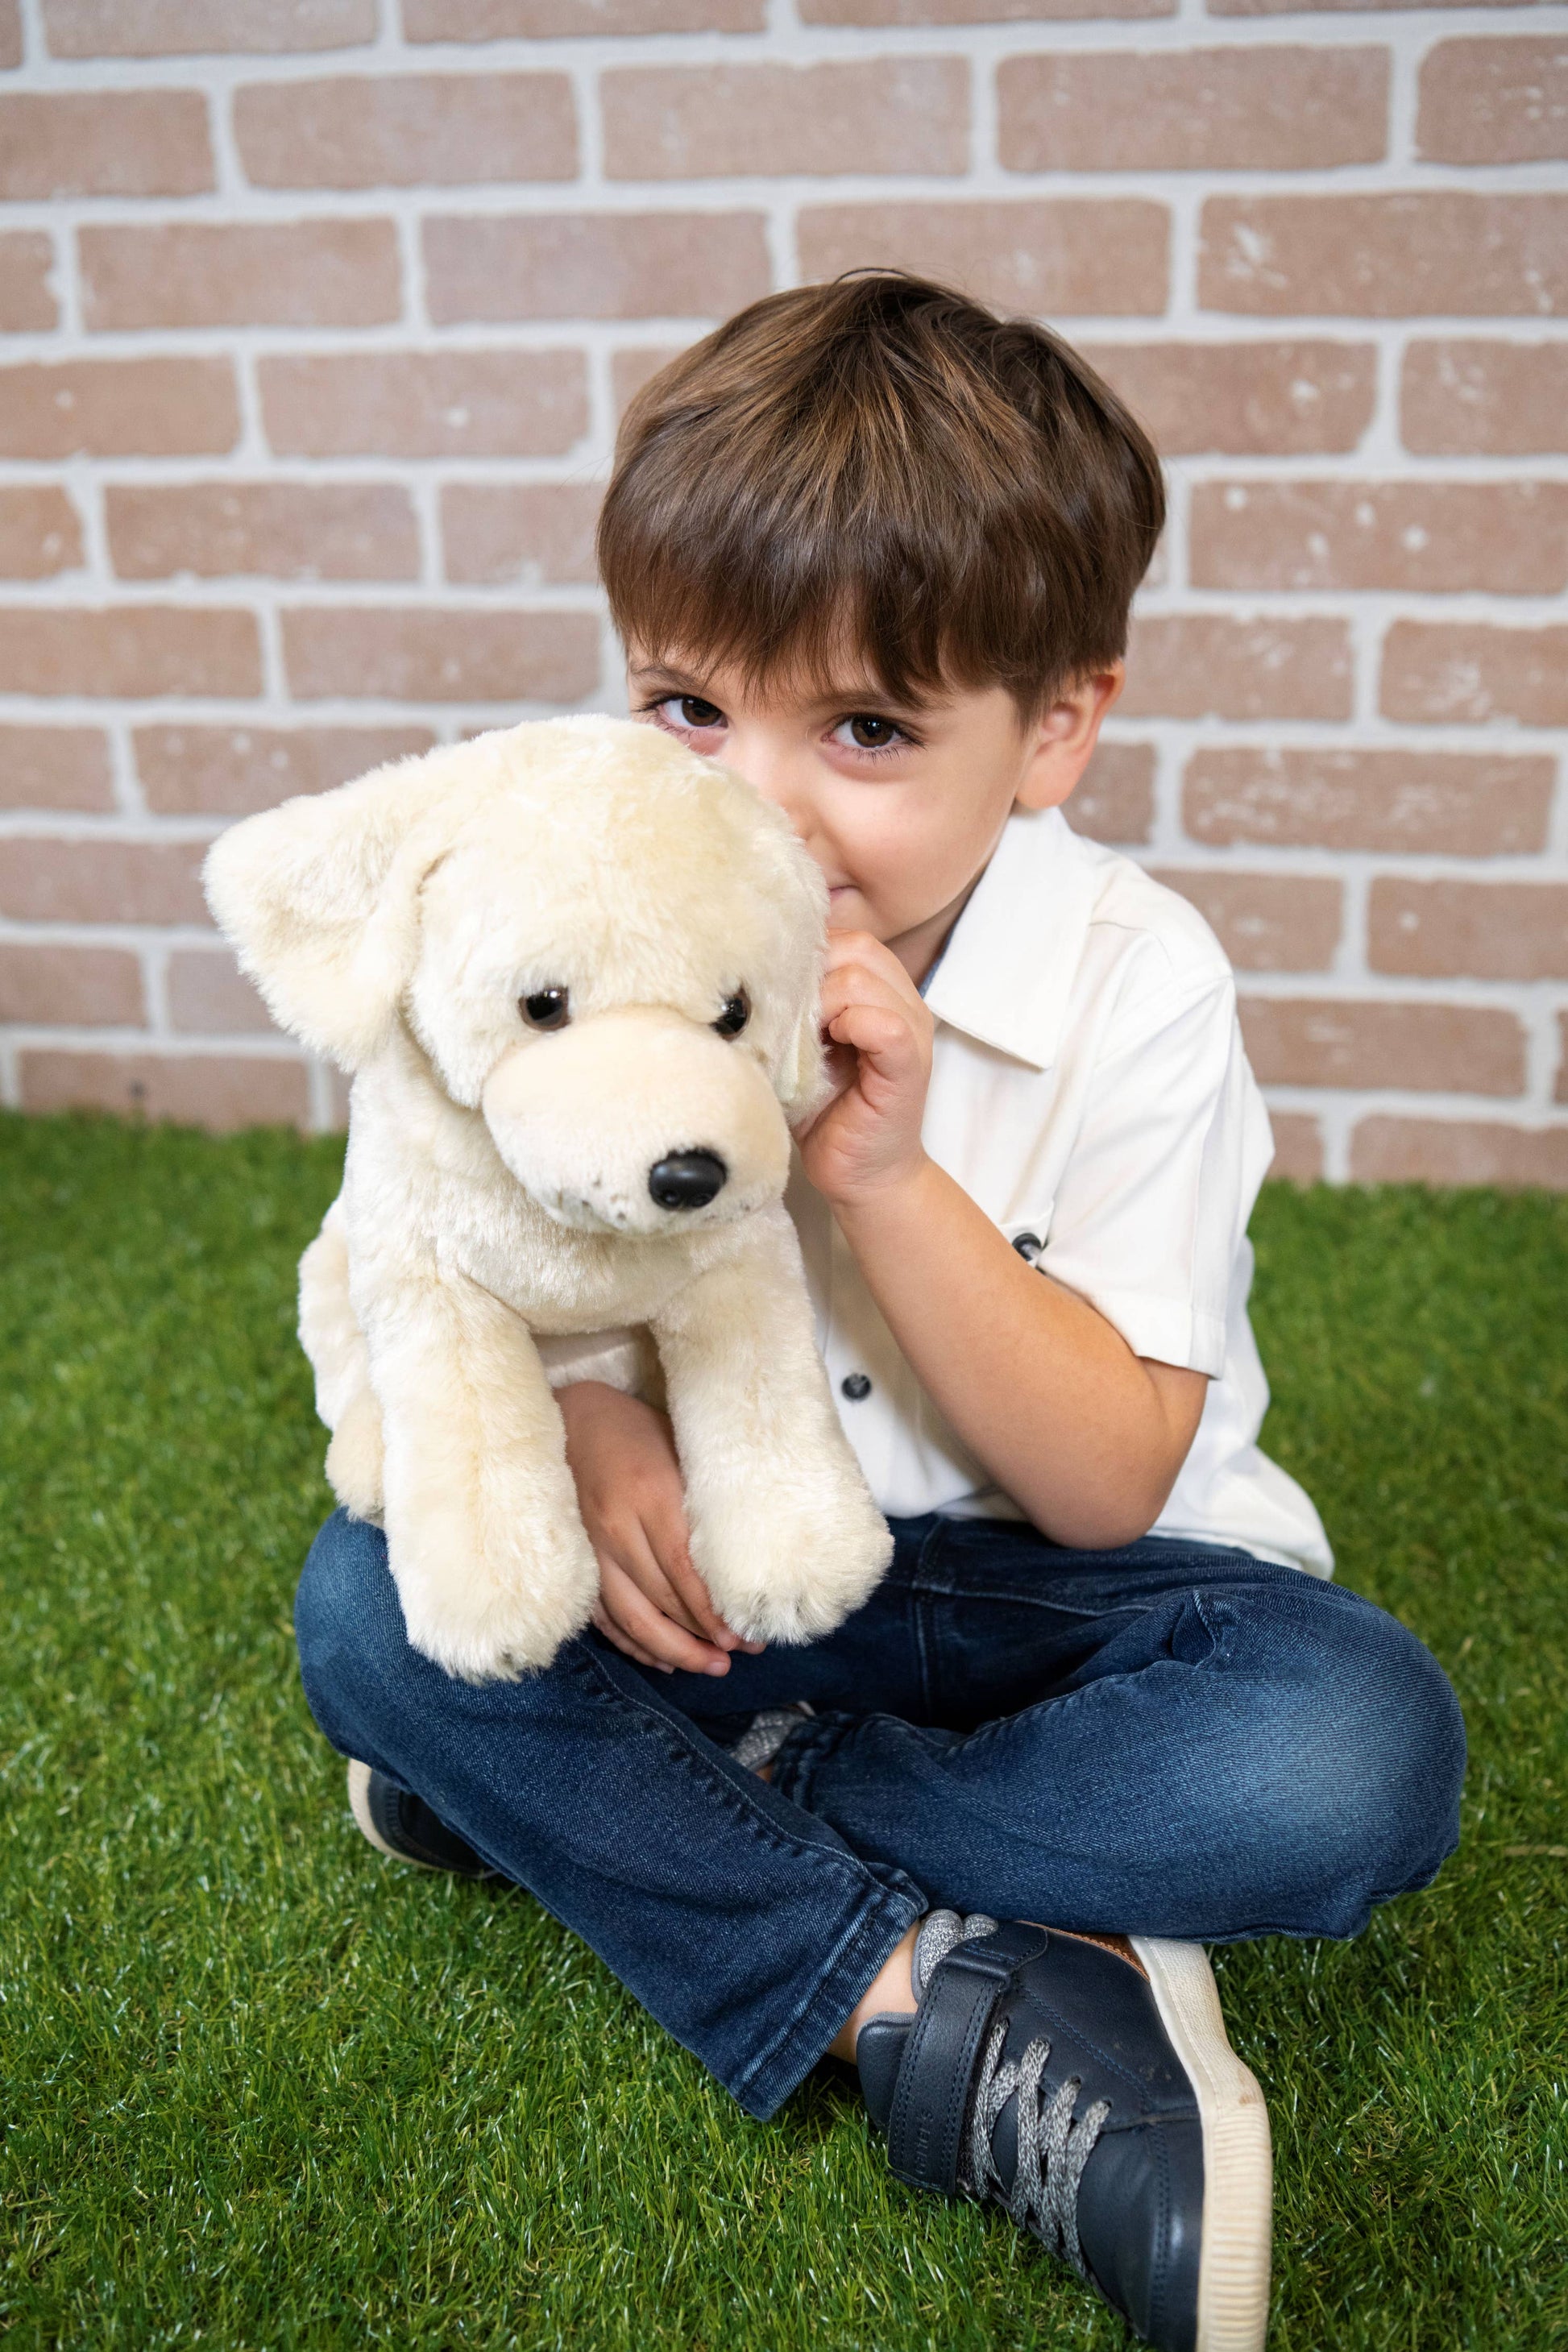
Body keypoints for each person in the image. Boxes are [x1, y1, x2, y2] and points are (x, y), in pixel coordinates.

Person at [294, 272, 1465, 2352]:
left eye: (863, 732)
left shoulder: (1140, 983)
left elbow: (1105, 1487)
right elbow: (438, 1276)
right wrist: (586, 1426)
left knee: (1350, 1752)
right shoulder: (569, 917)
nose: (752, 807)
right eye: (688, 710)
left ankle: (636, 1823)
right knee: (364, 1608)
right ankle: (931, 1994)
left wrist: (887, 1175)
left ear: (1056, 729)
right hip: (730, 1585)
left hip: (1071, 1602)